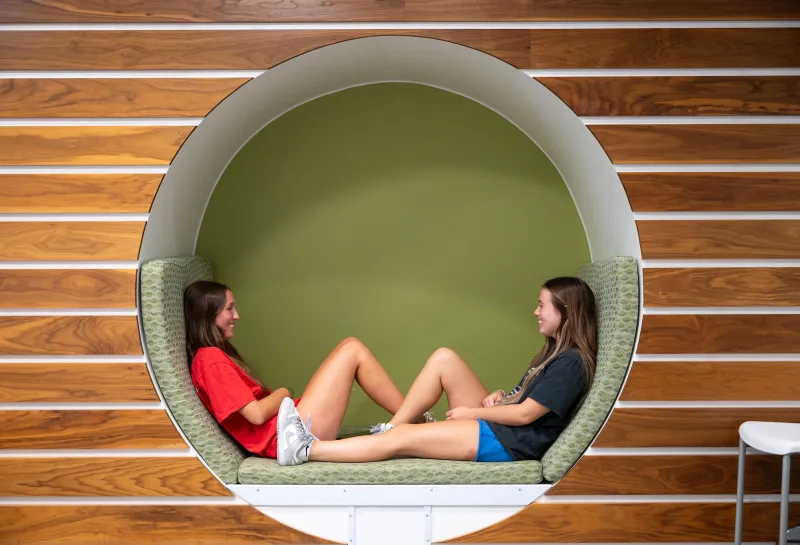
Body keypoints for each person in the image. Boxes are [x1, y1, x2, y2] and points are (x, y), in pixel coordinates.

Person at [276, 276, 597, 466]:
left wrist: (472, 412)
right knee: (444, 359)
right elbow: (525, 400)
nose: (536, 312)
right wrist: (500, 396)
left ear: (565, 311)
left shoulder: (571, 363)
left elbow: (528, 415)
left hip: (511, 442)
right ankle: (393, 427)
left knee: (403, 439)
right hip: (505, 425)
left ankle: (307, 449)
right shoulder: (553, 352)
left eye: (543, 305)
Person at [184, 280, 426, 460]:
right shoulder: (210, 359)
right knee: (352, 349)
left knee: (349, 347)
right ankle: (412, 421)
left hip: (287, 426)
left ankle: (410, 420)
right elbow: (256, 415)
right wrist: (284, 392)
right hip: (287, 436)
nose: (236, 315)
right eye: (229, 308)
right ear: (209, 315)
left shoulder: (211, 357)